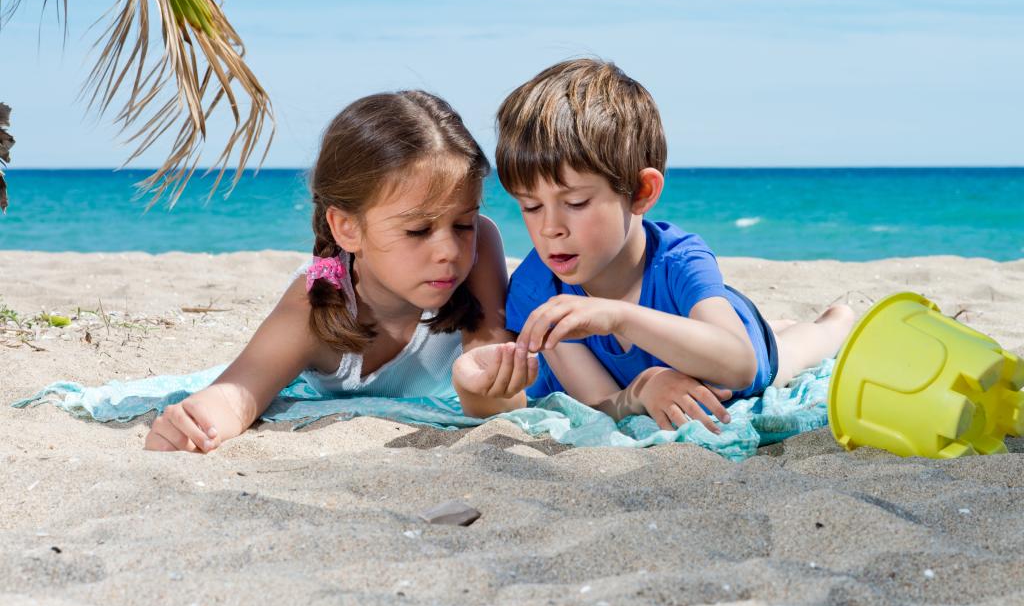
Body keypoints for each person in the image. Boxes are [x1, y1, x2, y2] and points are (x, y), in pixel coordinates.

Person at [454, 59, 856, 432]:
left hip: (724, 338)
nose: (550, 229)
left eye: (575, 203)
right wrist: (641, 389)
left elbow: (739, 365)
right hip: (657, 360)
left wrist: (617, 316)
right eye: (531, 206)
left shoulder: (679, 260)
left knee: (791, 355)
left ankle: (832, 320)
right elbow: (598, 401)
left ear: (642, 192)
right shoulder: (538, 289)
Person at [145, 90, 535, 452]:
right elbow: (239, 392)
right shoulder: (314, 300)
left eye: (463, 224)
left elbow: (501, 403)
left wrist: (480, 387)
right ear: (347, 228)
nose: (450, 250)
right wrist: (196, 423)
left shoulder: (480, 246)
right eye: (418, 230)